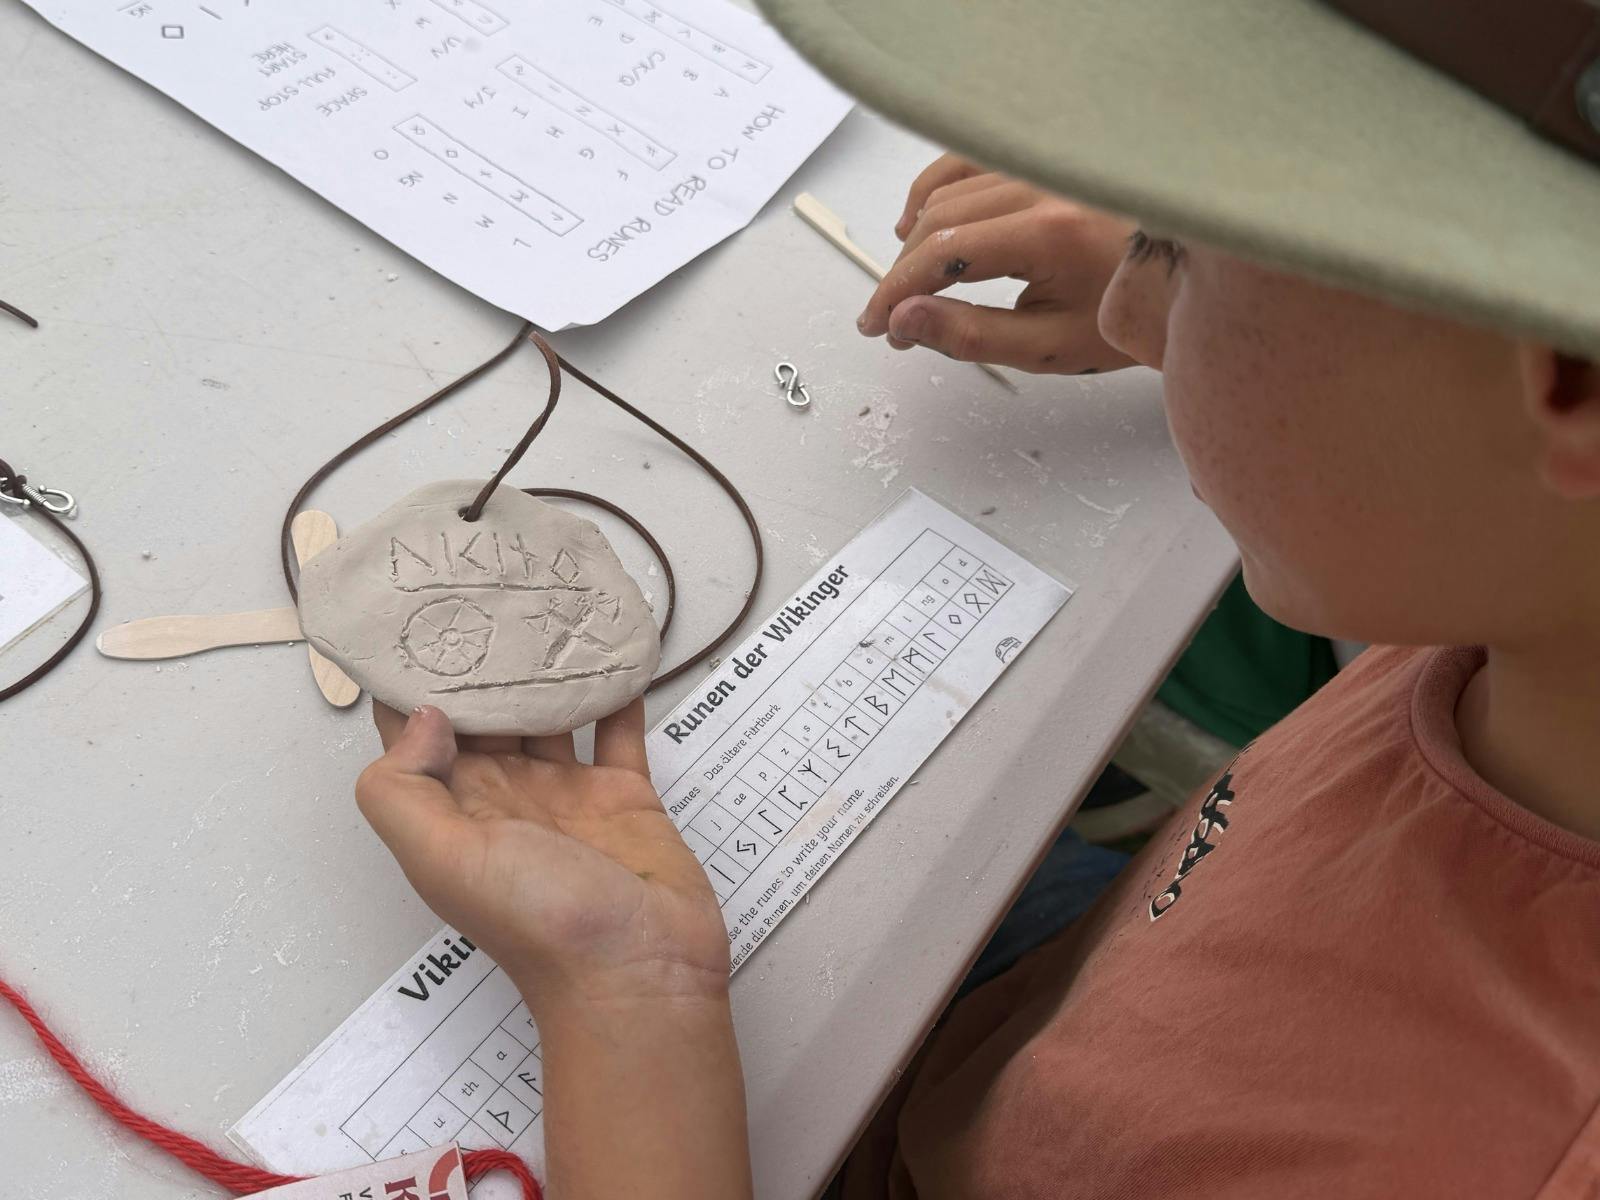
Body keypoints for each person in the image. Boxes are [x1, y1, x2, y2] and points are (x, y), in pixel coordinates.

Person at [352, 0, 1600, 1195]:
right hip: (1067, 1004)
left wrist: (627, 1004)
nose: (1125, 306)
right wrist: (1259, 296)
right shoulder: (1538, 607)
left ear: (1564, 380)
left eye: (1171, 249)